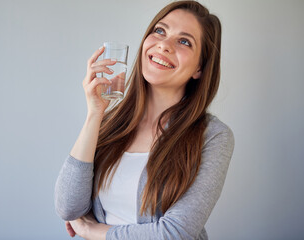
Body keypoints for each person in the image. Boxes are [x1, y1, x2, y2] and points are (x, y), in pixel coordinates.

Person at [55, 1, 234, 239]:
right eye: (160, 30)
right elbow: (68, 207)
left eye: (184, 41)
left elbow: (174, 234)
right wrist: (94, 114)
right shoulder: (112, 122)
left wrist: (90, 229)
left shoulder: (213, 136)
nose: (164, 45)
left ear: (199, 68)